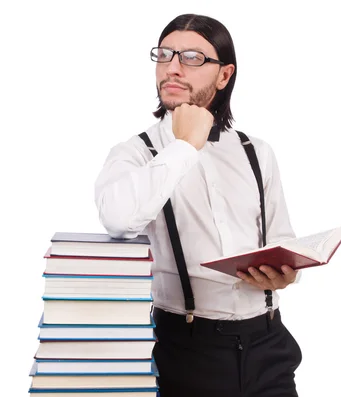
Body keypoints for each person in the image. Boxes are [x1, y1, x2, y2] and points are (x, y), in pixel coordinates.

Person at [94, 13, 303, 397]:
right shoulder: (135, 153)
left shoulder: (256, 152)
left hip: (269, 345)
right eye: (165, 55)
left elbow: (282, 238)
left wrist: (287, 274)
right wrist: (185, 146)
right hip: (186, 349)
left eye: (191, 57)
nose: (172, 68)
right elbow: (118, 219)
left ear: (224, 76)